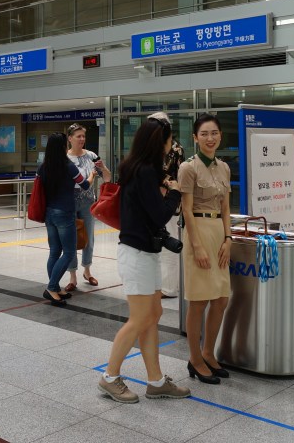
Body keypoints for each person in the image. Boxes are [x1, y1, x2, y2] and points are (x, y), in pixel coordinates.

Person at [98, 117, 190, 404]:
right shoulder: (146, 172)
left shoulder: (137, 168)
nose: (171, 145)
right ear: (159, 142)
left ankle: (156, 381)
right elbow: (161, 214)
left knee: (152, 316)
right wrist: (175, 192)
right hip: (136, 255)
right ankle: (109, 377)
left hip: (144, 253)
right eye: (169, 140)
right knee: (140, 318)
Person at [178, 113, 232, 385]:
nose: (210, 138)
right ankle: (195, 358)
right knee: (198, 301)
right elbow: (186, 210)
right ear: (196, 138)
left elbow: (225, 208)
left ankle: (209, 352)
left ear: (220, 135)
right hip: (197, 232)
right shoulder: (189, 168)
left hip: (219, 234)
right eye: (204, 134)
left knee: (221, 299)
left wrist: (229, 239)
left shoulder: (224, 168)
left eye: (214, 133)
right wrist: (197, 246)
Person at [38, 133, 89, 306]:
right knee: (68, 253)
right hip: (65, 214)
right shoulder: (68, 167)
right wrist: (93, 175)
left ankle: (56, 288)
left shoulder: (43, 167)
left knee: (54, 251)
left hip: (49, 214)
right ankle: (52, 288)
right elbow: (85, 185)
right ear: (62, 147)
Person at [63, 123, 111, 292]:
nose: (82, 139)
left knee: (88, 237)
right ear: (70, 138)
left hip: (88, 202)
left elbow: (107, 178)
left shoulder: (91, 156)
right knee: (71, 239)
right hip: (69, 202)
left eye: (83, 136)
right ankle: (73, 276)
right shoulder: (65, 159)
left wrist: (103, 167)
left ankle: (87, 270)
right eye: (78, 136)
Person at [149, 112, 185, 299]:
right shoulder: (151, 149)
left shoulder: (176, 150)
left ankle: (170, 287)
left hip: (170, 203)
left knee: (170, 245)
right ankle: (162, 283)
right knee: (158, 246)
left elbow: (178, 177)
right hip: (154, 203)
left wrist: (162, 183)